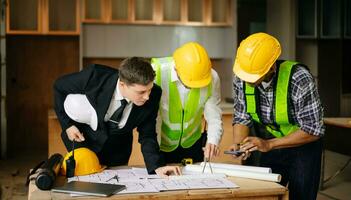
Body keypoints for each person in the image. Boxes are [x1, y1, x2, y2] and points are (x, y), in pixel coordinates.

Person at [229, 33, 324, 200]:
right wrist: (239, 145)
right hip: (268, 143)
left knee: (301, 195)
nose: (246, 79)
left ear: (271, 67)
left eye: (253, 76)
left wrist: (269, 144)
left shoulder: (299, 78)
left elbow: (313, 129)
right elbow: (242, 115)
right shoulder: (242, 77)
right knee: (265, 194)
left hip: (303, 146)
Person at [54, 57, 181, 177]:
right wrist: (68, 125)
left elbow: (147, 134)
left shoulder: (154, 94)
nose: (147, 97)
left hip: (118, 150)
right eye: (141, 92)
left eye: (149, 90)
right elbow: (59, 87)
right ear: (122, 84)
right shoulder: (94, 76)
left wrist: (157, 166)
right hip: (83, 140)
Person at [151, 42, 223, 163]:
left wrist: (212, 141)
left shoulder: (211, 77)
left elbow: (214, 116)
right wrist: (155, 155)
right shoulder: (157, 73)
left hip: (192, 143)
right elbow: (154, 118)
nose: (193, 87)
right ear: (176, 69)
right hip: (161, 145)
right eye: (188, 82)